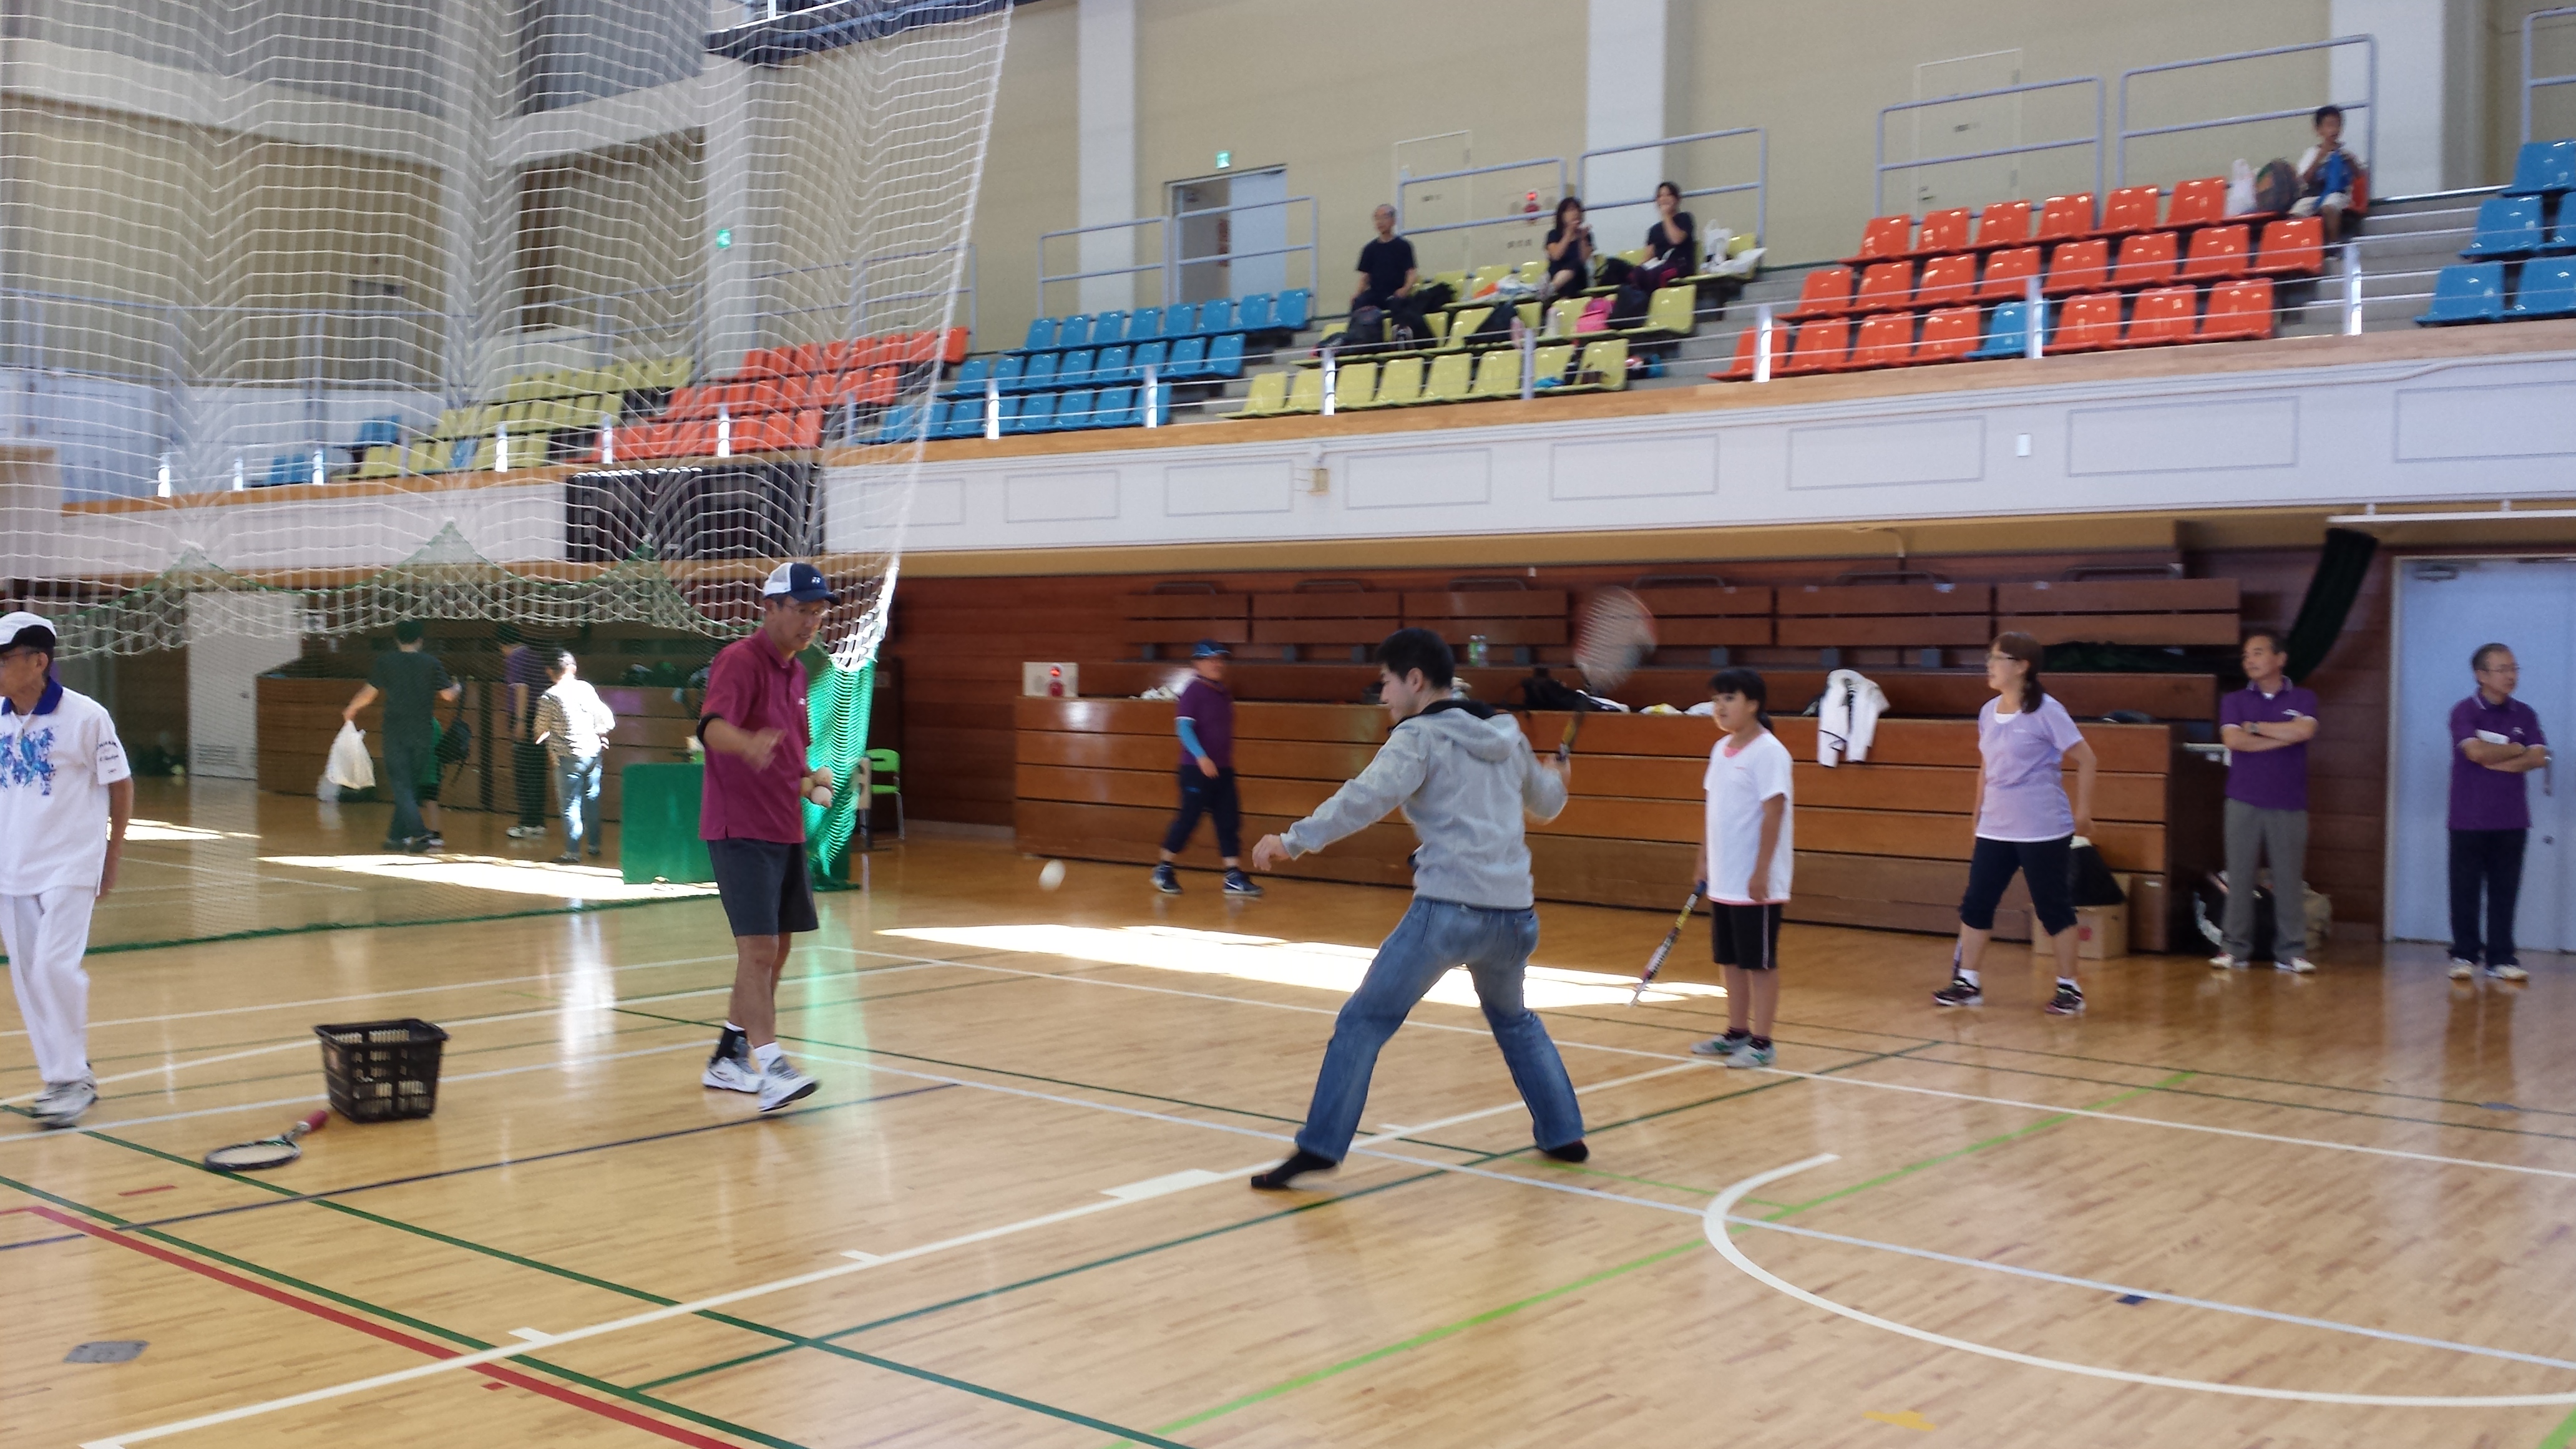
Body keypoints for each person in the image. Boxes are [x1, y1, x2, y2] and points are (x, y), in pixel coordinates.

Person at [1245, 628, 1585, 1189]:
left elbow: (1364, 798)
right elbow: (1547, 804)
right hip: (1514, 918)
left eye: (1386, 683)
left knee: (1362, 1022)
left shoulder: (1418, 737)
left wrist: (1293, 840)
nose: (1382, 695)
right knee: (1515, 1021)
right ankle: (1564, 1132)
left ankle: (1321, 1147)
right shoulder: (1507, 734)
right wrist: (1559, 778)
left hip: (1447, 915)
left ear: (1416, 680)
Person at [697, 561, 840, 1112]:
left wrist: (811, 782)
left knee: (775, 952)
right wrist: (745, 743)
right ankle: (773, 1066)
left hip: (783, 828)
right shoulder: (740, 660)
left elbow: (790, 760)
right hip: (740, 827)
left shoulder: (798, 675)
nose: (811, 622)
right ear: (771, 608)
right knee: (757, 949)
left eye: (818, 613)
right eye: (802, 610)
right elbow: (712, 727)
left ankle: (729, 1056)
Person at [0, 612, 131, 1128]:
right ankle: (62, 1074)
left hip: (71, 862)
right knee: (29, 978)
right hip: (12, 867)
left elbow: (120, 784)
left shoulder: (85, 717)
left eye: (5, 659)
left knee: (54, 967)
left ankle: (73, 1078)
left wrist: (111, 856)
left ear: (39, 662)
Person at [1934, 632, 2099, 1015]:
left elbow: (2087, 759)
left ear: (2022, 666)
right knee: (1977, 902)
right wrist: (1977, 812)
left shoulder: (2047, 712)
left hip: (2042, 827)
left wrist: (2084, 812)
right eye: (1989, 658)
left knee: (2052, 906)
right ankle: (1968, 981)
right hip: (1996, 826)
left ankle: (2070, 988)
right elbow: (1986, 766)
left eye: (1998, 659)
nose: (1990, 666)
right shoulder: (1987, 712)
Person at [1686, 668, 1792, 1067]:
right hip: (1724, 878)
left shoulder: (1770, 752)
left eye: (1729, 698)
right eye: (1716, 699)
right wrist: (1704, 858)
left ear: (1753, 705)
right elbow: (1714, 810)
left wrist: (1762, 871)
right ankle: (1736, 1032)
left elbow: (1774, 813)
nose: (1720, 706)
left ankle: (1763, 1042)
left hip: (1755, 882)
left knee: (1758, 962)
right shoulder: (1720, 749)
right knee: (1728, 960)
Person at [2213, 632, 2318, 973]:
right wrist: (2282, 735)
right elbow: (2234, 741)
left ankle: (2291, 951)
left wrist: (2257, 728)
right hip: (2242, 799)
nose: (2250, 661)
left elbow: (2304, 732)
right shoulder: (2234, 700)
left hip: (2289, 801)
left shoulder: (2303, 697)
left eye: (2257, 653)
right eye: (2246, 656)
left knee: (2288, 878)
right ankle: (2234, 948)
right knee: (2240, 876)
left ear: (2280, 658)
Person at [2448, 643, 2548, 983]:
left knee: (2504, 891)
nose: (2511, 676)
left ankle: (2501, 957)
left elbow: (2539, 757)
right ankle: (2464, 954)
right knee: (2465, 890)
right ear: (2481, 675)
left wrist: (2501, 760)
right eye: (2503, 669)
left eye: (2514, 669)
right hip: (2469, 817)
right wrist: (2516, 749)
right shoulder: (2465, 711)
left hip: (2512, 818)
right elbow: (2475, 752)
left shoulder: (2525, 714)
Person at [1151, 640, 1260, 899]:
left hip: (1223, 770)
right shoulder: (1193, 692)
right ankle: (1164, 868)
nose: (1217, 664)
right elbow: (1183, 728)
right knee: (1189, 819)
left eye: (1220, 660)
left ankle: (1233, 876)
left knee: (1229, 820)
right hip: (1196, 770)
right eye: (1211, 659)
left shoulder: (1223, 693)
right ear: (1197, 663)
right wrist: (1201, 757)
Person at [343, 619, 458, 852]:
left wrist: (351, 708)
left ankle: (420, 834)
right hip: (423, 732)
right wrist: (458, 686)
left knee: (402, 785)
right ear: (420, 640)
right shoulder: (431, 663)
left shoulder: (386, 662)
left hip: (395, 731)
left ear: (396, 639)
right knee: (409, 786)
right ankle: (395, 837)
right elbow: (448, 696)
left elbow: (368, 694)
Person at [533, 649, 617, 865]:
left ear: (549, 671)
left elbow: (540, 728)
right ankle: (594, 846)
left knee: (570, 806)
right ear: (573, 668)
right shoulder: (586, 688)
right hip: (593, 753)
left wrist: (542, 735)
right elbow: (605, 717)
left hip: (567, 756)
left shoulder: (550, 696)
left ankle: (572, 852)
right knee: (592, 799)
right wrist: (600, 734)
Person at [499, 622, 552, 841]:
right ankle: (537, 823)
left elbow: (521, 688)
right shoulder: (534, 656)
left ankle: (527, 824)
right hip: (541, 717)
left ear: (502, 645)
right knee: (537, 771)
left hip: (526, 717)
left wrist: (520, 721)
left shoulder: (515, 658)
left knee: (524, 772)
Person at [2292, 104, 2362, 245]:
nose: (2334, 130)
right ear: (2319, 130)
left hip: (2339, 194)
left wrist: (2351, 162)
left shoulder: (2347, 150)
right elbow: (2305, 180)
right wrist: (2319, 158)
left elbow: (2360, 175)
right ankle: (2303, 247)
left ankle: (2333, 245)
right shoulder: (2311, 153)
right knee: (2296, 213)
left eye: (2338, 125)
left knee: (2329, 207)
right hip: (2314, 195)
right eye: (2329, 125)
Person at [1352, 204, 1418, 316]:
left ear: (1393, 221)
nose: (1380, 222)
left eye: (1384, 217)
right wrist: (1357, 294)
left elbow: (1411, 273)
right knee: (1359, 303)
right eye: (1377, 218)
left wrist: (1405, 289)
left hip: (1396, 292)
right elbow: (1365, 277)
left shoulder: (1404, 246)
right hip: (1375, 293)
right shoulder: (1369, 249)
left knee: (1401, 306)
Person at [1638, 180, 1699, 290]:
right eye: (1661, 196)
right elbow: (1648, 257)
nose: (1664, 199)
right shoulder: (1654, 230)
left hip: (1680, 265)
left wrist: (1666, 216)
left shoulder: (1685, 218)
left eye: (1668, 195)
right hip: (1660, 265)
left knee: (1657, 275)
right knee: (1634, 274)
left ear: (1677, 199)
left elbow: (1676, 240)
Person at [1541, 197, 1594, 301]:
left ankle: (1552, 289)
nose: (1576, 213)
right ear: (1562, 215)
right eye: (1571, 210)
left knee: (1576, 264)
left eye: (1578, 210)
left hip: (1579, 277)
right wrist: (1568, 234)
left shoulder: (1586, 235)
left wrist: (1582, 239)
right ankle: (1557, 295)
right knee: (1559, 266)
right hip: (1556, 273)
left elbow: (1584, 259)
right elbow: (1556, 256)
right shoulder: (1554, 234)